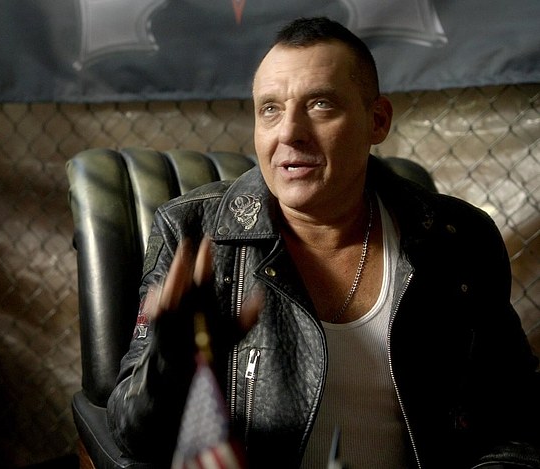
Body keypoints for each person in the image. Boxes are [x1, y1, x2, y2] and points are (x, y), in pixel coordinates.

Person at [106, 16, 540, 468]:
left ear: (377, 121)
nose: (288, 132)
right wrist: (172, 366)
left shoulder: (454, 237)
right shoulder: (193, 233)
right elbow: (132, 438)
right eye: (270, 109)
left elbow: (515, 420)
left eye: (320, 104)